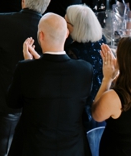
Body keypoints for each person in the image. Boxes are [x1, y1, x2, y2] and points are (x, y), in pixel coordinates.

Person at [6, 12, 93, 156]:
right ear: (66, 34)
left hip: (34, 148)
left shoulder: (26, 69)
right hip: (73, 149)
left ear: (41, 35)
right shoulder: (84, 70)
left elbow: (12, 102)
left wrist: (31, 64)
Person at [0, 0, 51, 155]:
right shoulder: (50, 31)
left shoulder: (2, 20)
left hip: (4, 93)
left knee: (2, 143)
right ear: (47, 4)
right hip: (37, 99)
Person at [65, 4, 106, 106]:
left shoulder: (73, 51)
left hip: (84, 103)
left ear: (76, 27)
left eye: (66, 22)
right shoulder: (102, 40)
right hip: (102, 95)